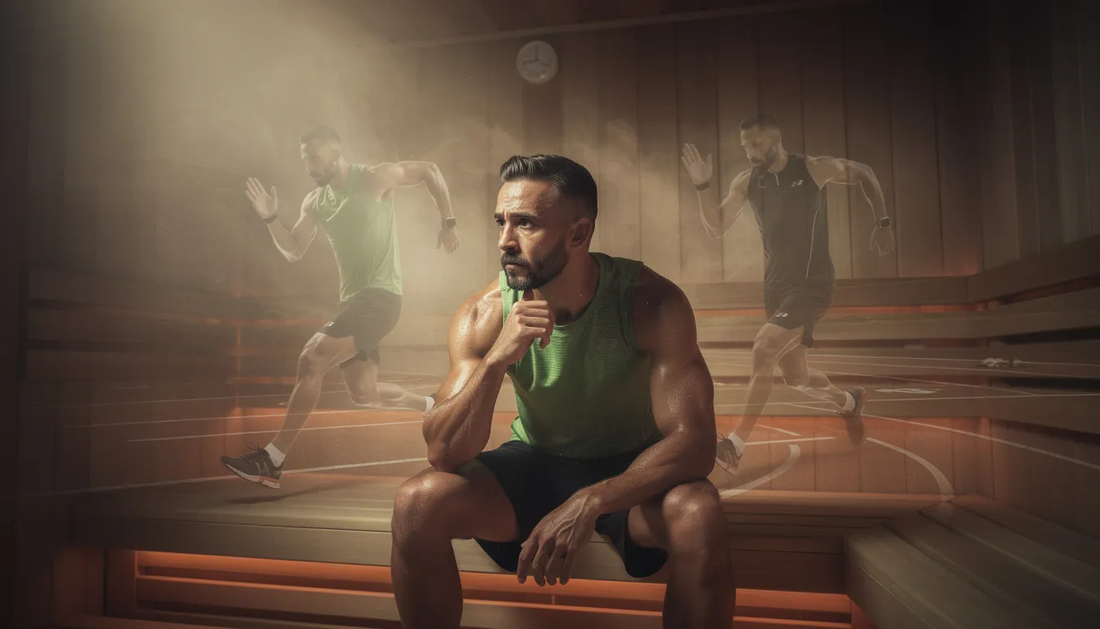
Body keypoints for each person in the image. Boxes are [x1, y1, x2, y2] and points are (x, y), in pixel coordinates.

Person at [389, 155, 734, 628]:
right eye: (501, 222)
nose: (504, 241)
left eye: (524, 224)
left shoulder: (650, 303)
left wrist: (589, 501)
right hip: (535, 464)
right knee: (417, 502)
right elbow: (444, 452)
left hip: (630, 467)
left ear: (578, 233)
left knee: (698, 512)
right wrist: (496, 362)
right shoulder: (486, 313)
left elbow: (695, 446)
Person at [220, 126, 461, 489]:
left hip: (380, 297)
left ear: (336, 153)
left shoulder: (373, 178)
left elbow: (430, 170)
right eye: (304, 160)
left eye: (314, 158)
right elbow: (293, 250)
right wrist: (271, 218)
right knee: (363, 392)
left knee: (310, 358)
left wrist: (448, 222)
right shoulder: (315, 201)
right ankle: (431, 405)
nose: (309, 166)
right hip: (355, 301)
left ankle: (272, 460)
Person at [681, 112, 896, 474]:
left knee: (763, 347)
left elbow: (865, 174)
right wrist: (703, 187)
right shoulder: (749, 181)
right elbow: (716, 227)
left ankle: (734, 445)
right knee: (796, 378)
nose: (750, 151)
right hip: (776, 287)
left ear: (775, 138)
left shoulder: (812, 169)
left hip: (813, 283)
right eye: (745, 145)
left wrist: (883, 222)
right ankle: (848, 401)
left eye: (755, 143)